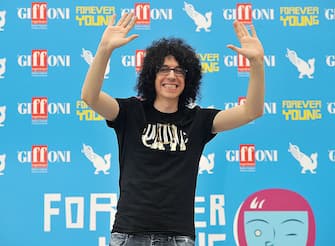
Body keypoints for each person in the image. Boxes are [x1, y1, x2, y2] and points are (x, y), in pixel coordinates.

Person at [81, 12, 264, 246]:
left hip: (178, 237)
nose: (171, 76)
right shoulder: (130, 113)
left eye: (179, 71)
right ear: (151, 75)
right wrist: (105, 49)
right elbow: (90, 97)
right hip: (129, 235)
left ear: (189, 79)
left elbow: (252, 111)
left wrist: (257, 64)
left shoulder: (198, 121)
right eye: (164, 69)